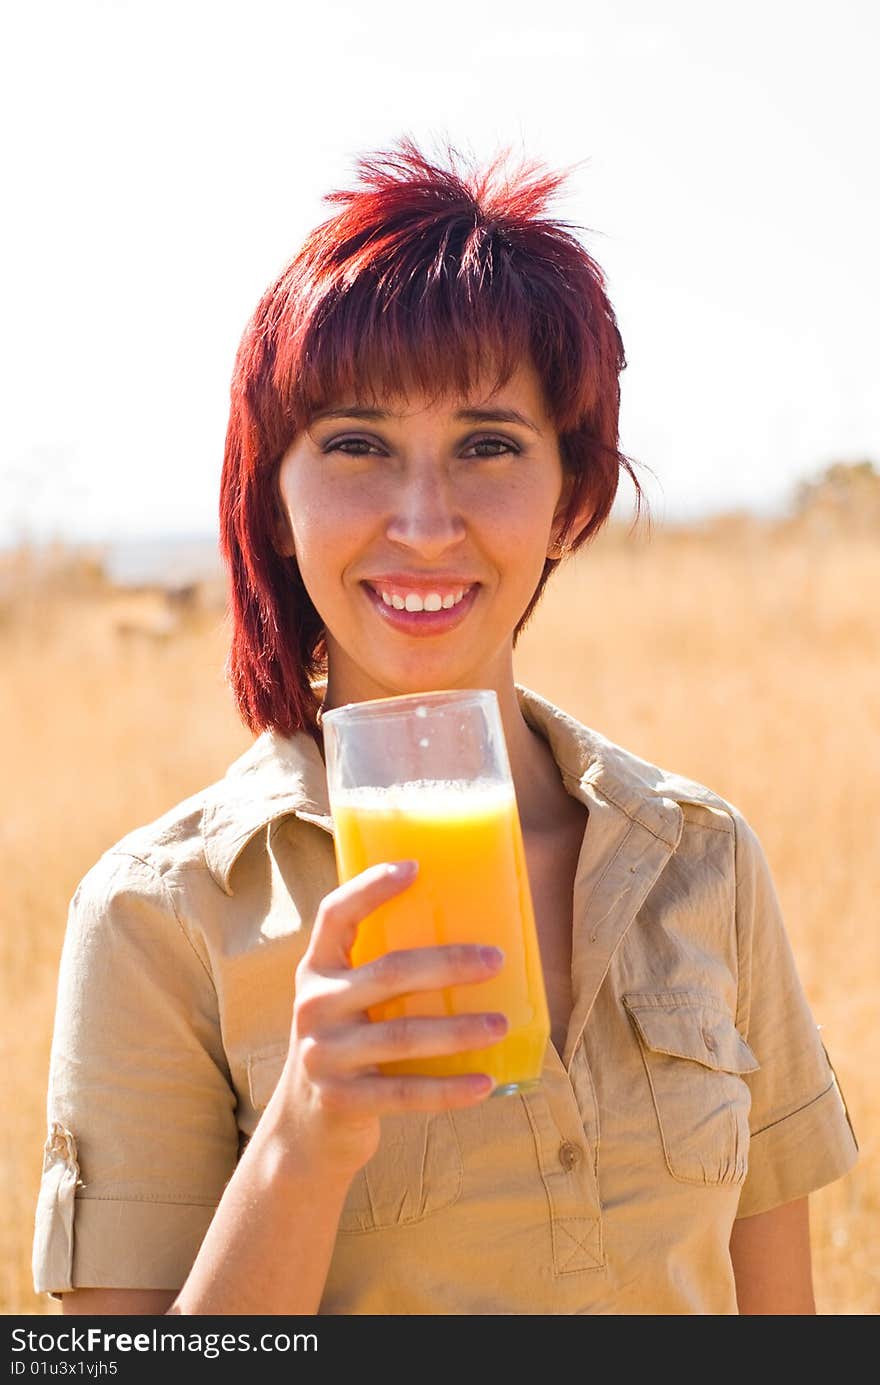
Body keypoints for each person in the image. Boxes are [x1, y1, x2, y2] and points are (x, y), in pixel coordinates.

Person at [33, 139, 857, 1316]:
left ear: (571, 495)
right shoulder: (158, 915)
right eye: (358, 446)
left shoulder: (699, 855)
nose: (424, 522)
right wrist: (305, 1139)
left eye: (488, 445)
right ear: (274, 498)